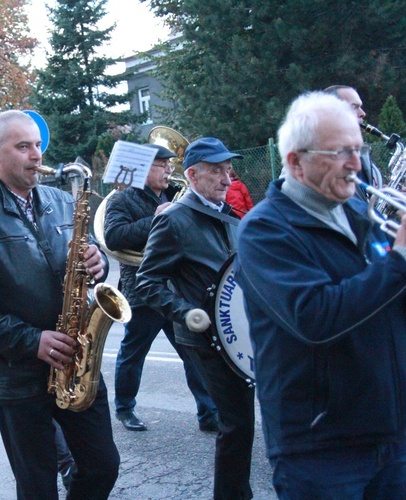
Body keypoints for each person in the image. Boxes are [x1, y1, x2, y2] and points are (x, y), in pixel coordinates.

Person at [236, 91, 406, 498]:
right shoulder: (263, 231)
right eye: (339, 152)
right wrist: (404, 260)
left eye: (358, 149)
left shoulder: (360, 211)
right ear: (295, 162)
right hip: (320, 449)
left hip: (395, 434)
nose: (356, 164)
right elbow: (315, 317)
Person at [0, 110, 120, 499]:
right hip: (17, 374)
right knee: (37, 485)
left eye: (37, 145)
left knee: (103, 466)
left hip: (76, 361)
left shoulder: (60, 200)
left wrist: (97, 262)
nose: (36, 155)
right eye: (23, 147)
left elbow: (81, 263)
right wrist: (31, 340)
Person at [135, 137, 255, 499]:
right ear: (192, 174)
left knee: (243, 422)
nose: (226, 178)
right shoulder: (174, 219)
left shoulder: (229, 215)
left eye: (228, 170)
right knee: (236, 424)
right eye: (217, 171)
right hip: (204, 338)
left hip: (238, 334)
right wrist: (186, 313)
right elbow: (147, 282)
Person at [104, 143, 218, 433]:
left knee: (191, 352)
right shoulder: (122, 200)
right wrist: (157, 217)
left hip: (175, 287)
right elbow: (115, 237)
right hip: (142, 288)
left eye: (169, 164)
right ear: (143, 169)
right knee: (134, 351)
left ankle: (208, 412)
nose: (169, 169)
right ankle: (125, 408)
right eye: (161, 164)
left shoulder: (176, 196)